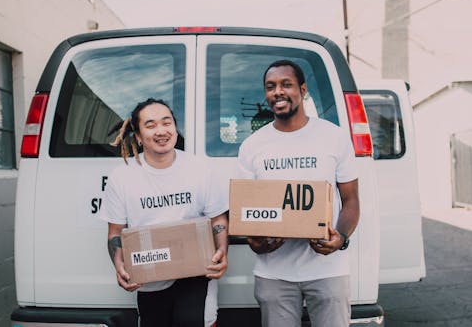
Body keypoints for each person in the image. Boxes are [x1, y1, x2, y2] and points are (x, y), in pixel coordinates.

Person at [237, 60, 360, 327]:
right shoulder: (252, 146)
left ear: (303, 90)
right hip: (274, 272)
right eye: (271, 87)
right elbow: (248, 209)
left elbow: (351, 200)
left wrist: (341, 239)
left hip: (328, 270)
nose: (277, 92)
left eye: (286, 84)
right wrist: (255, 241)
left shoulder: (334, 137)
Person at [98, 98, 229, 327]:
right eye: (150, 125)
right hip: (149, 277)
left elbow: (218, 218)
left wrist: (222, 252)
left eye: (166, 123)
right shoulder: (122, 178)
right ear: (138, 137)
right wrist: (118, 264)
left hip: (196, 274)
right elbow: (115, 232)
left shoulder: (201, 170)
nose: (161, 131)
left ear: (175, 129)